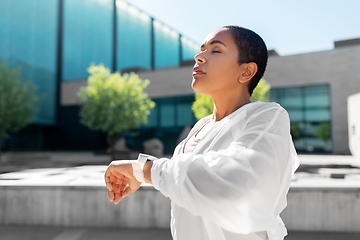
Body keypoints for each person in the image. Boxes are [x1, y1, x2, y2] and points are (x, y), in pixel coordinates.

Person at [105, 25, 299, 240]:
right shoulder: (200, 127)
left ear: (246, 71)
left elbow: (233, 179)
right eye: (201, 49)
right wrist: (143, 173)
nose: (199, 57)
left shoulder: (267, 116)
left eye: (215, 50)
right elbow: (188, 181)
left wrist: (144, 170)